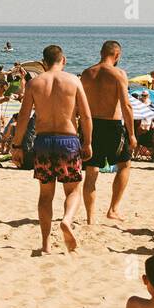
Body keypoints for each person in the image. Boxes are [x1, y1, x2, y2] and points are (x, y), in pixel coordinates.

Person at [14, 45, 93, 254]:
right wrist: (88, 143)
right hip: (68, 141)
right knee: (73, 189)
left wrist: (16, 145)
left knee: (45, 195)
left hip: (43, 141)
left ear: (44, 63)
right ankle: (67, 220)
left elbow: (23, 117)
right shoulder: (74, 81)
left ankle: (46, 245)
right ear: (63, 60)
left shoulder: (34, 84)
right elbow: (86, 116)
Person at [79, 40, 136, 224]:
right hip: (112, 126)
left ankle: (90, 218)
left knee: (91, 171)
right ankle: (113, 209)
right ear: (117, 55)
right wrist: (132, 133)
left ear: (101, 52)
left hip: (90, 125)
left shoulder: (87, 73)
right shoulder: (118, 74)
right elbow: (126, 106)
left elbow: (78, 103)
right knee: (124, 165)